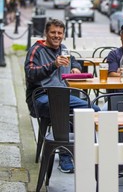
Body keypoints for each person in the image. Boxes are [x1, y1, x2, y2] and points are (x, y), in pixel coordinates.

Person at [24, 19, 100, 174]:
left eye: (59, 33)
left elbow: (73, 62)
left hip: (62, 95)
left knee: (93, 108)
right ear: (46, 33)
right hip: (40, 97)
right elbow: (30, 74)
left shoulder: (63, 49)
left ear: (63, 34)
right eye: (53, 32)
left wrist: (76, 68)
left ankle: (85, 151)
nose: (56, 36)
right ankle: (65, 155)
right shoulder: (36, 50)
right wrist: (53, 65)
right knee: (64, 108)